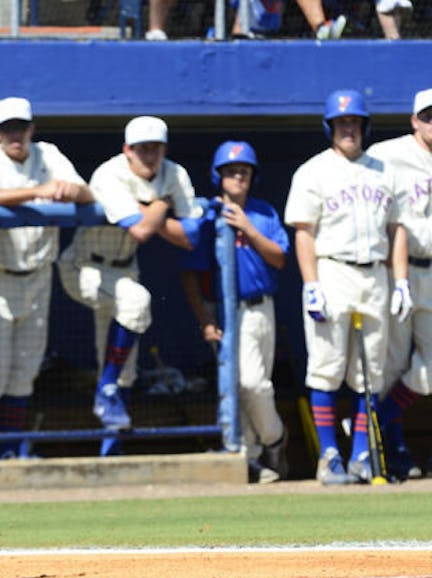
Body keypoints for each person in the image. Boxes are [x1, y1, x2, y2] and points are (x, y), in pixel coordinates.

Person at [286, 88, 409, 486]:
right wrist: (312, 285)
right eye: (341, 123)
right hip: (332, 269)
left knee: (372, 370)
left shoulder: (384, 170)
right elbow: (304, 232)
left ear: (364, 126)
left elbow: (397, 229)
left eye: (354, 122)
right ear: (330, 127)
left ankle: (361, 454)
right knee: (326, 367)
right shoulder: (312, 171)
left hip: (375, 273)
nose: (348, 129)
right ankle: (329, 457)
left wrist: (401, 282)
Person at [0, 96, 94, 459]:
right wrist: (38, 192)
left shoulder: (47, 154)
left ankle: (9, 450)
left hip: (38, 275)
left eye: (20, 127)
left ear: (31, 128)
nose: (14, 134)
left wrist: (70, 190)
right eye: (7, 128)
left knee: (24, 370)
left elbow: (87, 193)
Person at [59, 116, 199, 437]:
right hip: (84, 266)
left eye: (155, 148)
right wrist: (163, 204)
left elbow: (191, 236)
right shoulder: (110, 174)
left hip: (124, 268)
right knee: (137, 301)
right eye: (142, 149)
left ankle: (111, 434)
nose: (149, 156)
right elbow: (139, 230)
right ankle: (105, 388)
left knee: (127, 371)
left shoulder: (174, 173)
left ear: (164, 149)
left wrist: (151, 210)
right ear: (127, 150)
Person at [180, 141, 288, 483]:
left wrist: (248, 228)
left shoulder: (263, 212)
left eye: (244, 171)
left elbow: (280, 258)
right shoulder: (209, 216)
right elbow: (190, 275)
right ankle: (272, 440)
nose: (238, 176)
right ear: (218, 176)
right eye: (230, 171)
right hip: (225, 311)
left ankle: (257, 458)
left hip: (261, 308)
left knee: (255, 385)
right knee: (246, 383)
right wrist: (205, 318)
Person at [369, 88, 432, 480]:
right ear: (414, 120)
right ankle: (390, 446)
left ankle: (375, 422)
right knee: (389, 365)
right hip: (401, 270)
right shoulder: (388, 154)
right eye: (428, 115)